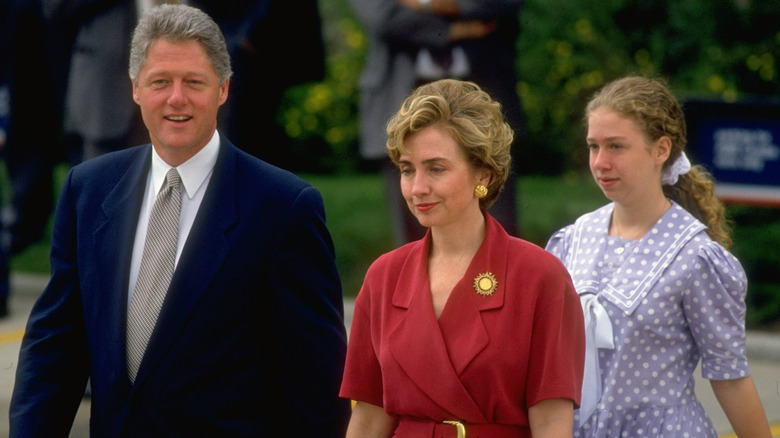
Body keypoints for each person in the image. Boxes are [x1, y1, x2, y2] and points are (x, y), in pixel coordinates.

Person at [9, 4, 351, 437]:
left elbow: (317, 381)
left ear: (223, 89)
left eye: (194, 82)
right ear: (135, 88)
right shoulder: (89, 190)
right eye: (160, 82)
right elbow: (56, 344)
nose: (176, 98)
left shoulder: (283, 206)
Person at [340, 79, 586, 437]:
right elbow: (368, 420)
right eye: (408, 169)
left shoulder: (540, 277)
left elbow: (551, 423)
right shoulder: (384, 276)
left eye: (436, 168)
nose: (417, 187)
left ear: (482, 174)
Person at [545, 76, 772, 437]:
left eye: (616, 147)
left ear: (660, 149)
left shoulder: (695, 257)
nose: (601, 162)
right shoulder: (572, 240)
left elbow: (729, 377)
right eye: (593, 146)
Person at [348, 0, 524, 247]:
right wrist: (450, 31)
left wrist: (426, 4)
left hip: (482, 88)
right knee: (414, 237)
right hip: (400, 93)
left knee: (497, 231)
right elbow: (381, 15)